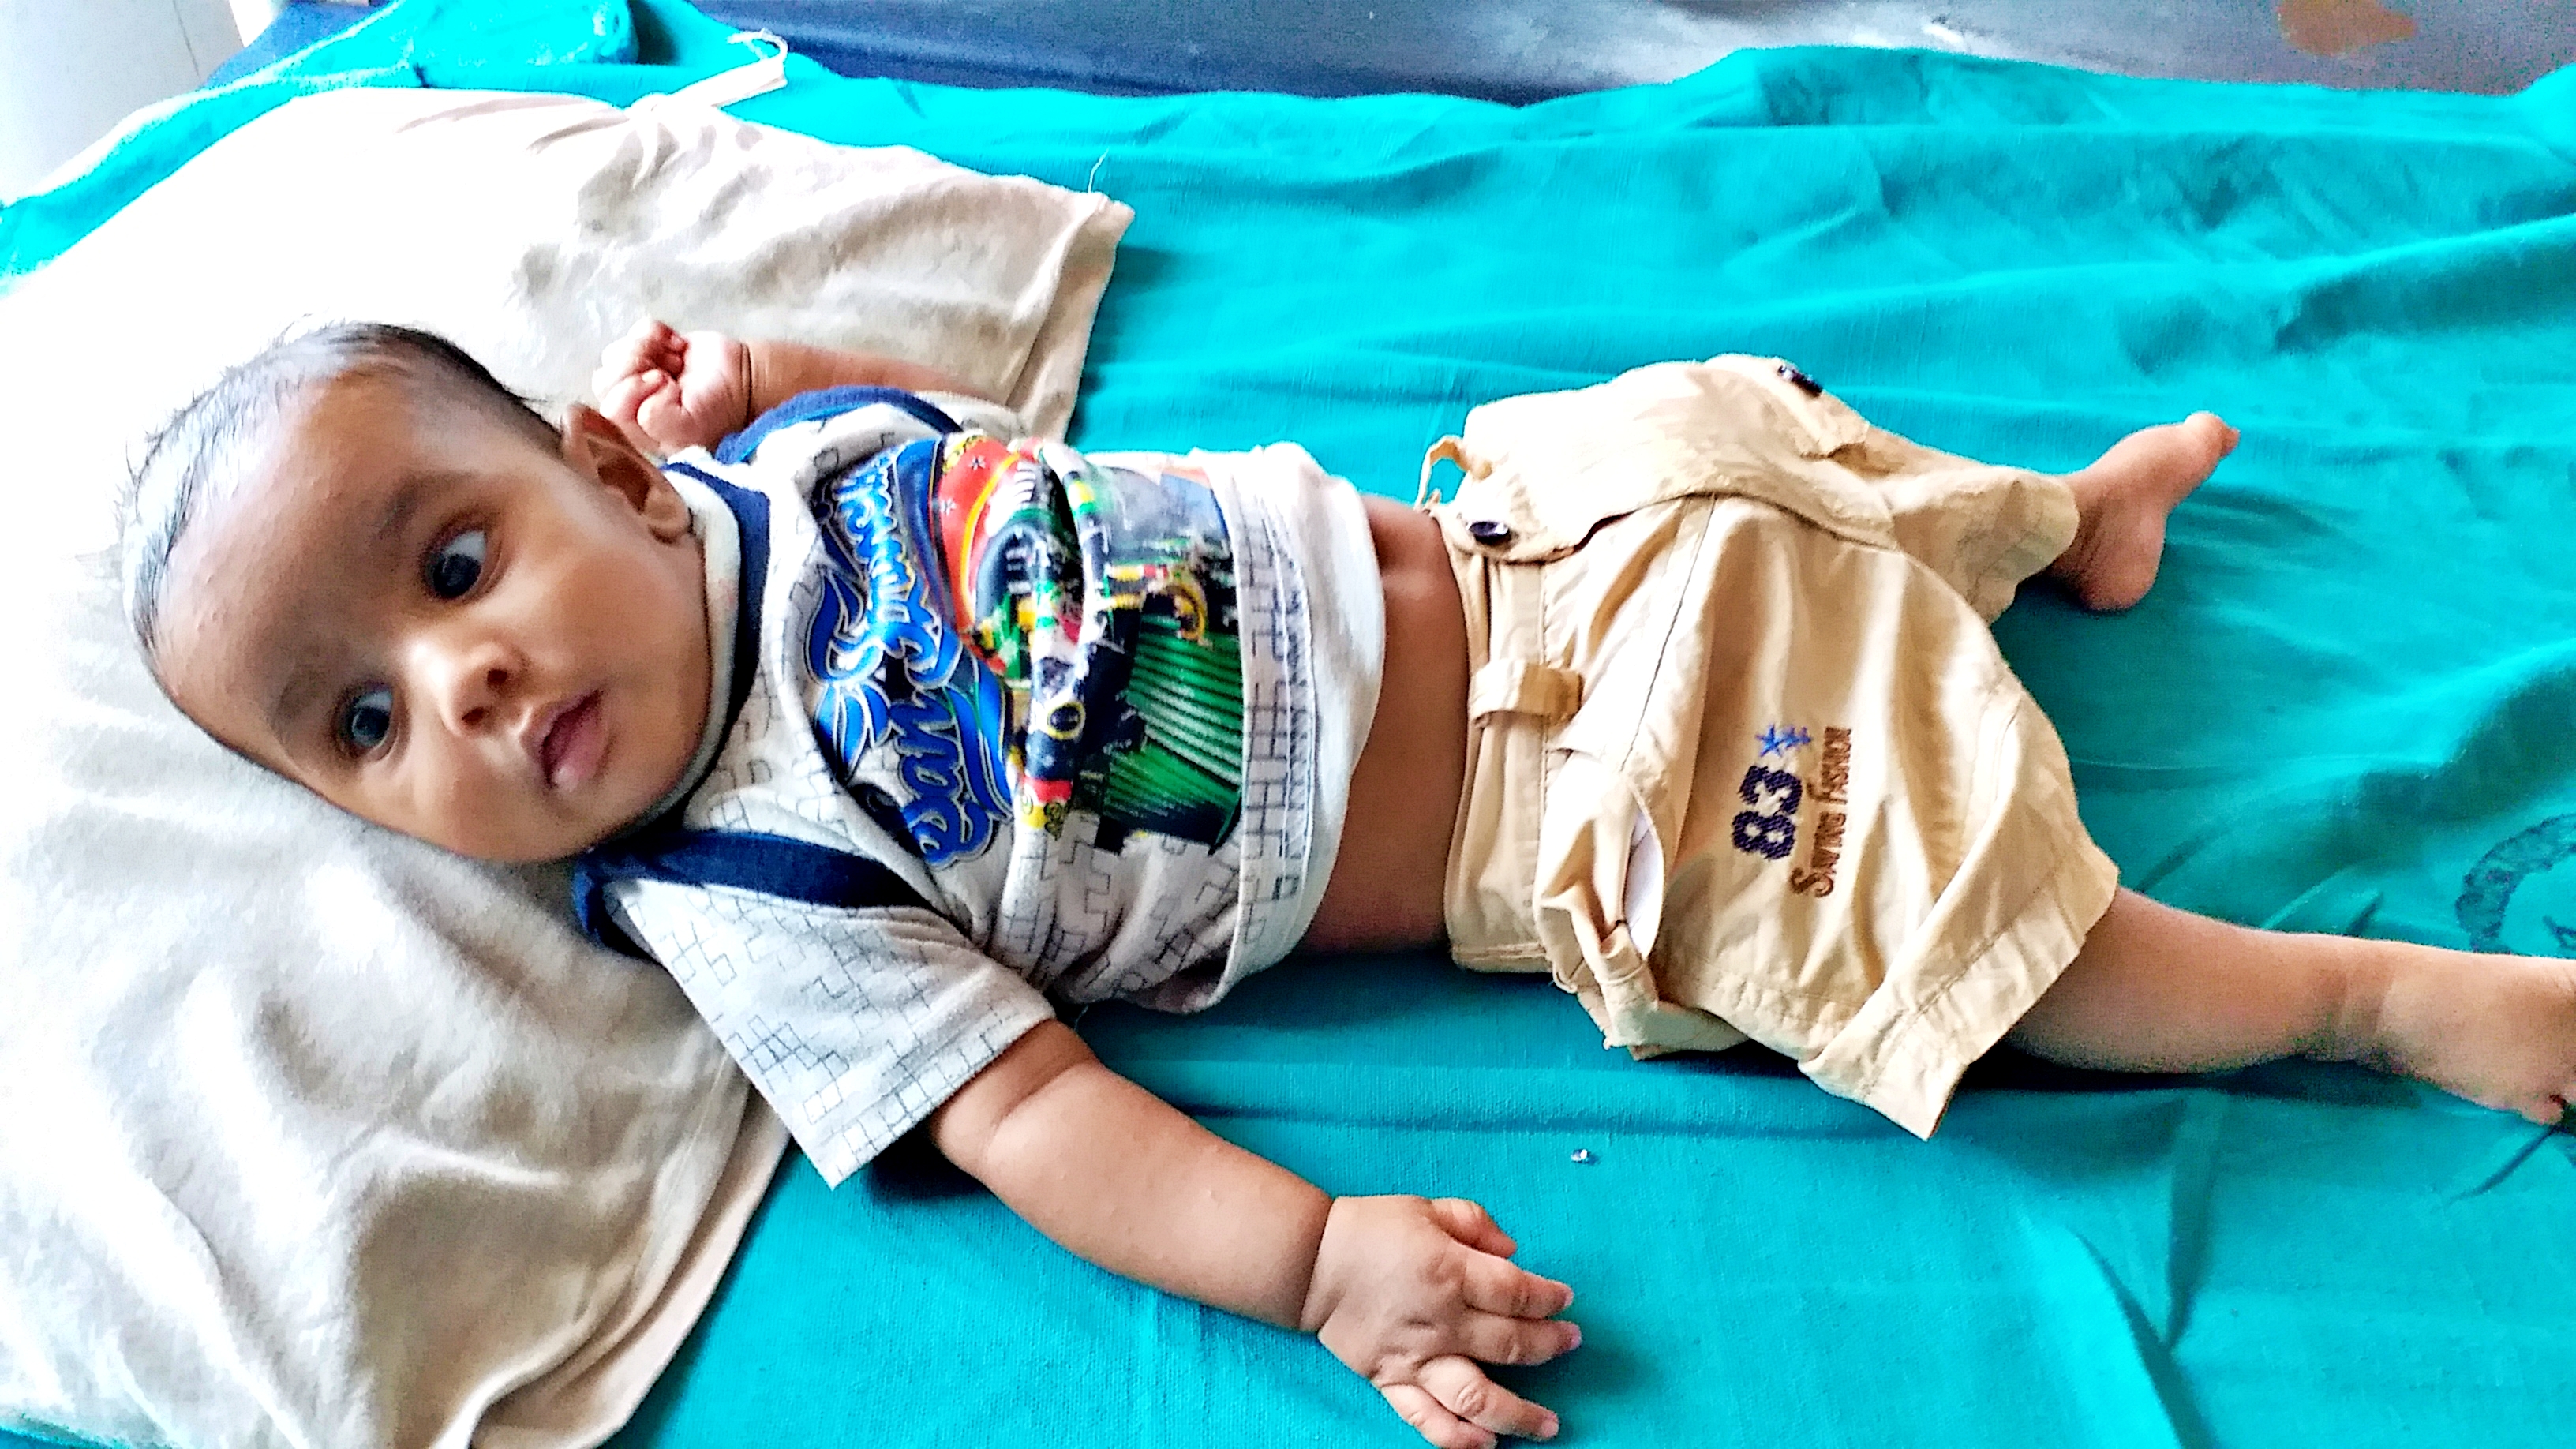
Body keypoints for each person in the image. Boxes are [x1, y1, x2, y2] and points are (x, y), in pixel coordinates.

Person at [122, 318, 2576, 1449]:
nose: (457, 687)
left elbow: (938, 433)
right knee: (1912, 921)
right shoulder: (744, 880)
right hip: (1574, 778)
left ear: (597, 467)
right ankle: (2368, 1002)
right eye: (362, 724)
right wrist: (1307, 1265)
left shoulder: (778, 465)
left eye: (460, 561)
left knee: (1766, 426)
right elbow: (1025, 1111)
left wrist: (753, 380)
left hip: (1529, 512)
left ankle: (2059, 524)